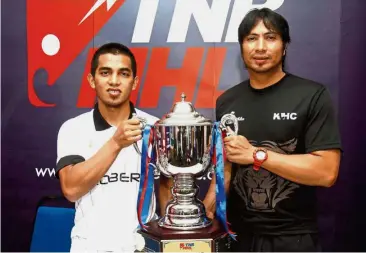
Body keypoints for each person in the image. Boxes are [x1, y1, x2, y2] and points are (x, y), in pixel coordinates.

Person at [203, 8, 342, 252]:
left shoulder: (311, 95)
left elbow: (327, 171)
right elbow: (225, 166)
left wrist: (257, 155)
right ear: (242, 46)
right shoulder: (227, 101)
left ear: (284, 45)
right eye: (251, 38)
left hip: (293, 237)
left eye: (270, 37)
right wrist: (207, 208)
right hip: (237, 236)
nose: (260, 47)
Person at [56, 42, 159, 252]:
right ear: (92, 80)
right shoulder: (73, 128)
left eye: (123, 74)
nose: (114, 81)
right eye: (105, 73)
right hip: (90, 247)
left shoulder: (154, 127)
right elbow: (71, 189)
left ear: (135, 82)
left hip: (144, 248)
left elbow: (167, 189)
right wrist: (115, 143)